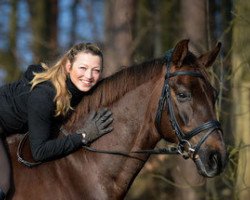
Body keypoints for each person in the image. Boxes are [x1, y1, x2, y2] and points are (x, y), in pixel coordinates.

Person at [0, 43, 114, 199]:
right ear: (68, 66)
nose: (89, 76)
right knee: (3, 185)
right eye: (83, 68)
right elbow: (39, 151)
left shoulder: (76, 88)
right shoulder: (45, 95)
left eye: (96, 70)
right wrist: (83, 136)